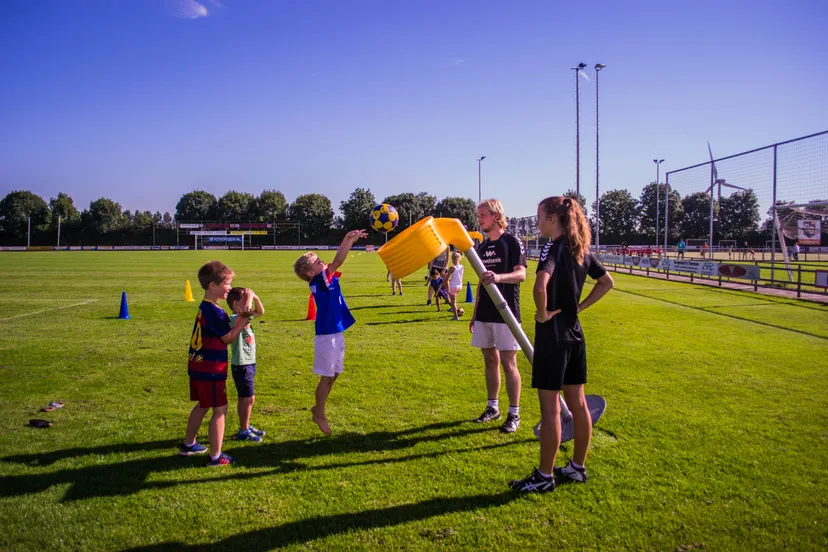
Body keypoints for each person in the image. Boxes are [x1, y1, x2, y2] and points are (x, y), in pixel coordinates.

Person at [509, 196, 614, 493]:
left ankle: (544, 477)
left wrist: (542, 315)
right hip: (575, 335)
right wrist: (578, 308)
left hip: (553, 338)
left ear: (553, 218)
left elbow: (539, 286)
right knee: (578, 405)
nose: (537, 222)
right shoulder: (581, 249)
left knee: (551, 410)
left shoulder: (552, 247)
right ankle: (577, 468)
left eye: (539, 216)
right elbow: (607, 283)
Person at [293, 229, 367, 436]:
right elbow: (338, 262)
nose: (322, 262)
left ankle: (318, 409)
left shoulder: (322, 279)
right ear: (310, 272)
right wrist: (350, 240)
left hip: (335, 332)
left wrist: (347, 238)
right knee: (327, 377)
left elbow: (334, 264)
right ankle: (320, 414)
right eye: (317, 262)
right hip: (327, 336)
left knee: (334, 374)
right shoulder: (318, 280)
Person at [181, 261, 252, 466]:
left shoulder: (206, 307)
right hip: (211, 368)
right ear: (212, 285)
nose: (229, 287)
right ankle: (216, 456)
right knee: (220, 410)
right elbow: (228, 338)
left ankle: (188, 444)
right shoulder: (215, 311)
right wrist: (243, 321)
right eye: (227, 283)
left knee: (203, 405)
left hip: (198, 364)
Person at [469, 199, 527, 434]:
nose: (479, 219)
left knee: (508, 362)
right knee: (489, 360)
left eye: (482, 215)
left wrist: (499, 278)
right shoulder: (481, 247)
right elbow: (481, 285)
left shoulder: (511, 241)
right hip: (484, 313)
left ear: (495, 216)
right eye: (478, 215)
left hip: (506, 312)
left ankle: (514, 413)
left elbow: (521, 274)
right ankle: (493, 408)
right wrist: (474, 314)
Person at [226, 287, 266, 442]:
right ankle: (243, 430)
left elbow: (260, 312)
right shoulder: (235, 318)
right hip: (241, 364)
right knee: (248, 398)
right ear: (236, 305)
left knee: (247, 398)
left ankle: (245, 425)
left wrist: (254, 298)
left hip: (249, 363)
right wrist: (249, 298)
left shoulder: (245, 316)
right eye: (245, 300)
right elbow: (248, 312)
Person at [445, 251, 465, 321]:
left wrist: (447, 289)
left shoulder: (452, 268)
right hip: (459, 286)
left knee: (453, 302)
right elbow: (460, 277)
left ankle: (456, 316)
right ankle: (456, 310)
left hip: (453, 287)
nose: (453, 260)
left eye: (453, 258)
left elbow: (446, 279)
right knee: (454, 300)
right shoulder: (462, 267)